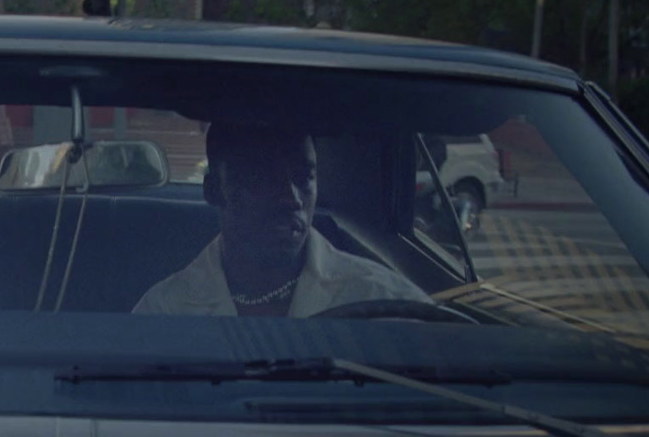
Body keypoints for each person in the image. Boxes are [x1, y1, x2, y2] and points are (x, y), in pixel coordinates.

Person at [133, 122, 431, 317]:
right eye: (263, 178)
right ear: (214, 190)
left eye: (304, 177)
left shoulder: (385, 302)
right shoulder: (164, 311)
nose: (291, 199)